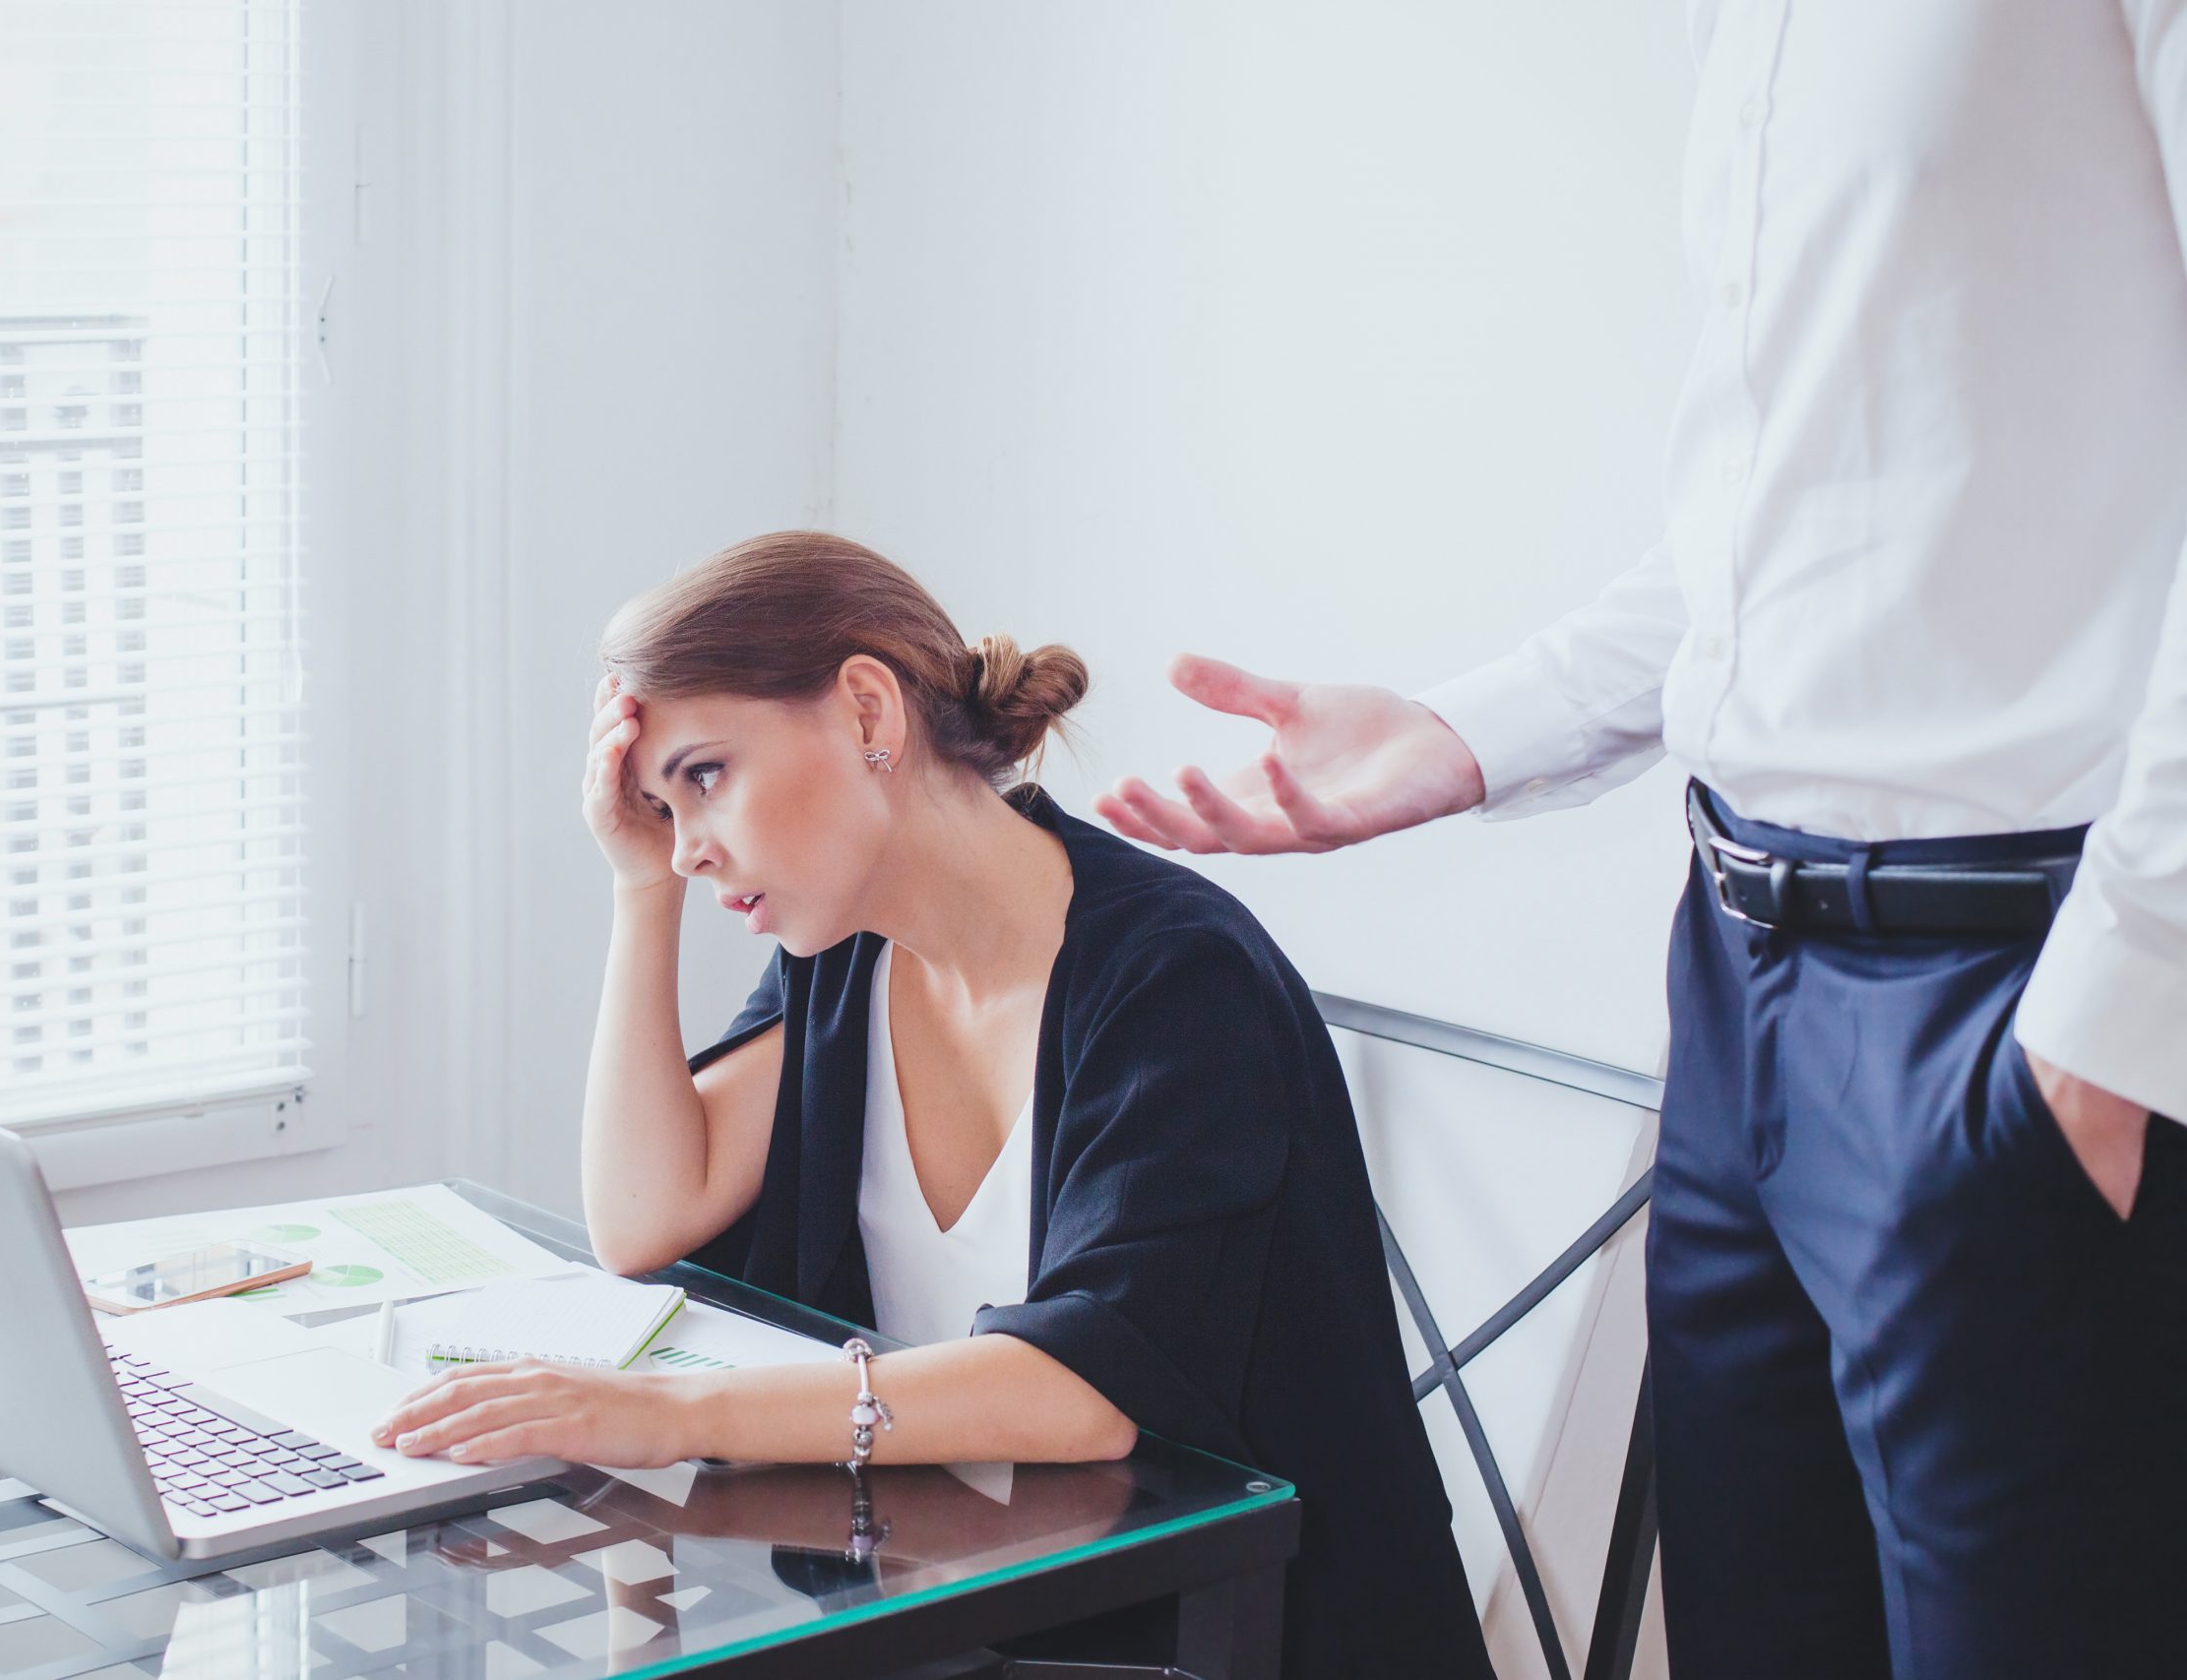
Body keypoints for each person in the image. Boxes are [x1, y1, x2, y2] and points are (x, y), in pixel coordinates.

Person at [1098, 7, 2187, 1678]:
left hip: (2012, 995)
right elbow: (1780, 513)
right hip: (1740, 975)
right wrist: (1467, 736)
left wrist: (2116, 1020)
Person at [375, 531, 1491, 1679]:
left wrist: (666, 1414)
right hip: (961, 1619)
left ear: (868, 712)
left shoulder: (1174, 976)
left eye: (704, 775)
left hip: (1219, 1637)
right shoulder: (846, 950)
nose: (689, 845)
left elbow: (1084, 1389)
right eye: (661, 806)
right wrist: (638, 886)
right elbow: (645, 1216)